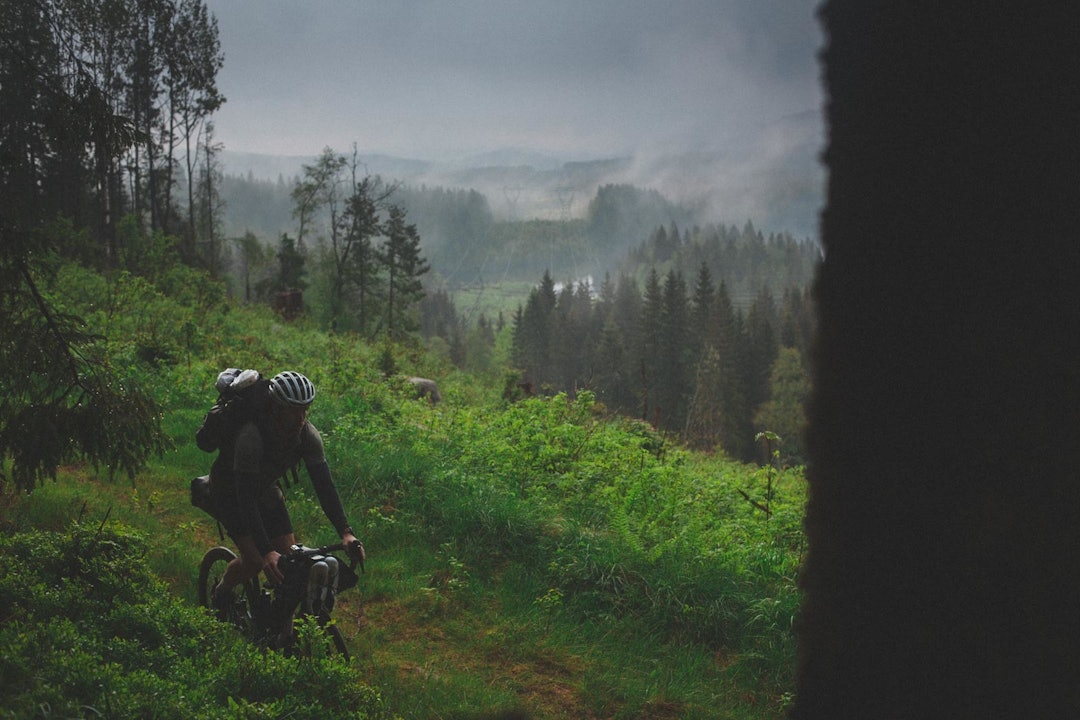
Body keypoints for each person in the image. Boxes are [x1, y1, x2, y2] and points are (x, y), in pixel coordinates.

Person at [208, 370, 364, 613]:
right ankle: (221, 591)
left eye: (305, 409)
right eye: (294, 410)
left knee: (290, 564)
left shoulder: (307, 435)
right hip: (231, 493)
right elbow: (246, 499)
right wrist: (266, 550)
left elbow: (324, 486)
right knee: (255, 561)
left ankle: (282, 631)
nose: (301, 417)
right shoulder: (251, 437)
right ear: (277, 408)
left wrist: (346, 532)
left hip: (266, 491)